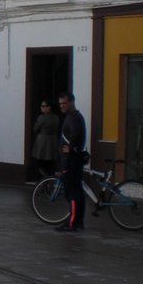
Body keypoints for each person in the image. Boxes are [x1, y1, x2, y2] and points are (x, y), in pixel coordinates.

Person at [56, 91, 87, 233]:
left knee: (72, 193)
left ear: (72, 102)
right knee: (78, 192)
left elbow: (76, 135)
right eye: (60, 104)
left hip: (70, 162)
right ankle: (78, 221)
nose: (62, 106)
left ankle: (73, 223)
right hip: (73, 160)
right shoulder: (74, 116)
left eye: (64, 103)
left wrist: (70, 149)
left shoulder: (73, 118)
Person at [31, 99, 60, 177]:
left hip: (43, 142)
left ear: (49, 107)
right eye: (42, 106)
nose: (41, 108)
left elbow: (35, 129)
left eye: (43, 106)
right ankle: (49, 177)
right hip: (53, 141)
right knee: (50, 162)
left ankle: (45, 178)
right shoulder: (56, 117)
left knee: (40, 162)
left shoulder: (42, 117)